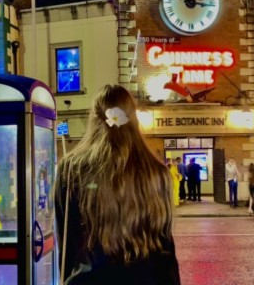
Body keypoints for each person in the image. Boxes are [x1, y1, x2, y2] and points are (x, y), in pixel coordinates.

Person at [54, 84, 181, 285]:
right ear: (133, 117)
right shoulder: (157, 171)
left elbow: (67, 241)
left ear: (94, 118)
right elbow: (165, 246)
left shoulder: (71, 168)